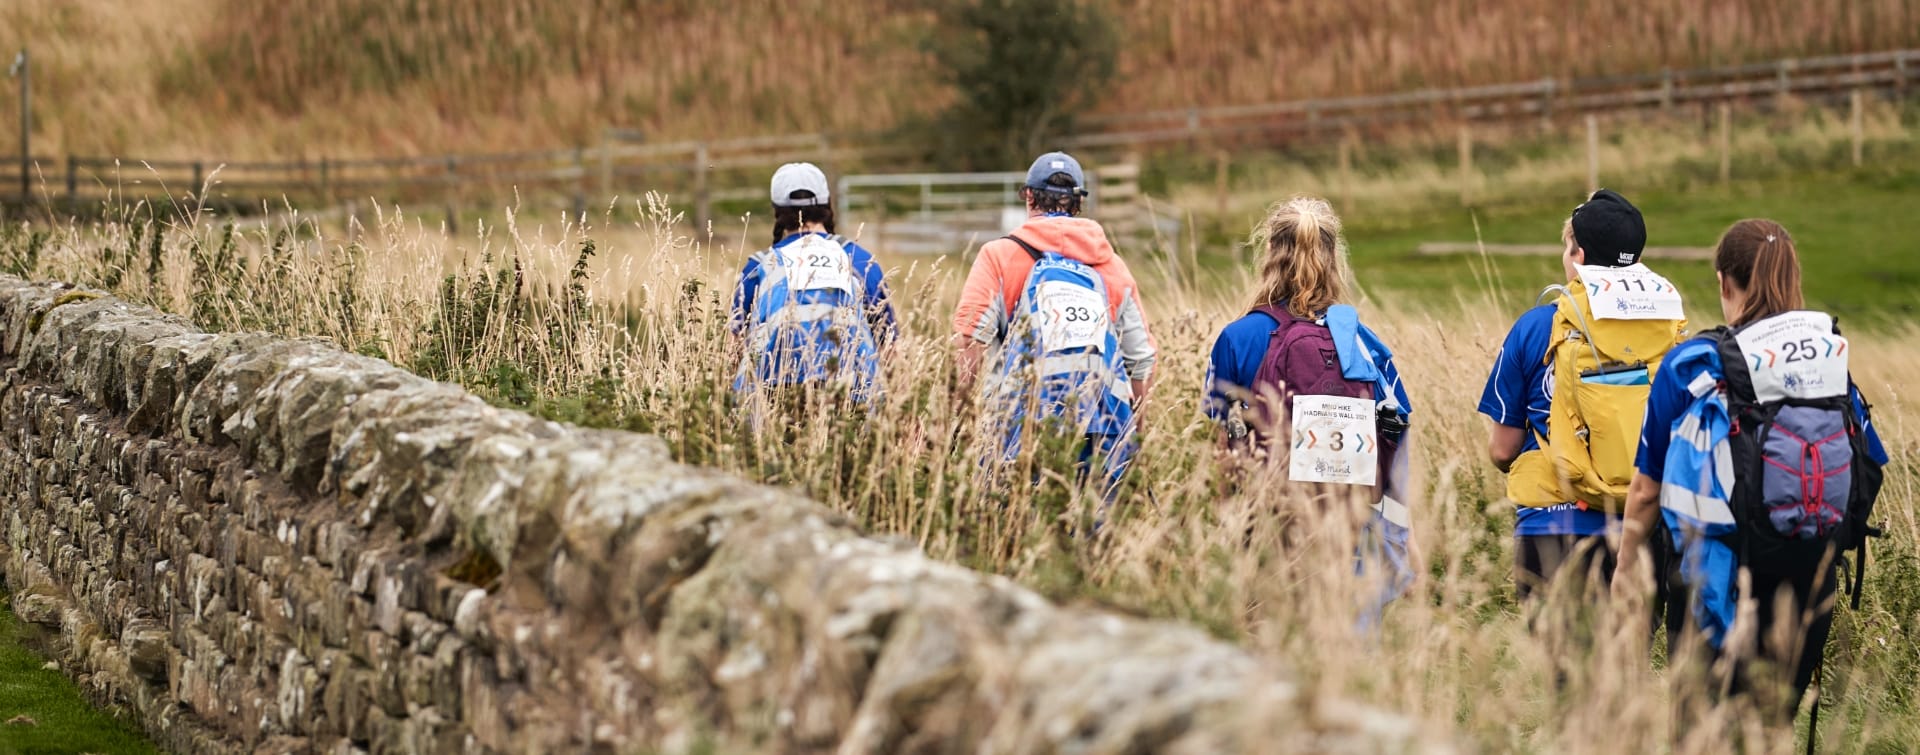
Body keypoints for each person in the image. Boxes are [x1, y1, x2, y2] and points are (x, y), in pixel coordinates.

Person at [1615, 219, 1888, 722]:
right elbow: (1869, 469)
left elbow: (1646, 490)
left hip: (1712, 588)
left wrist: (1625, 571)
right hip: (1806, 585)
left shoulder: (1692, 364)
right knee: (1767, 729)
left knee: (1702, 733)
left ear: (1724, 282)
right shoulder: (1826, 362)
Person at [1203, 196, 1415, 619]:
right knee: (1343, 650)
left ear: (1269, 255)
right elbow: (1397, 443)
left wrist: (1228, 532)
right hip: (1348, 525)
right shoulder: (1362, 342)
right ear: (1334, 259)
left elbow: (1223, 453)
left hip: (1267, 526)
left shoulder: (1237, 338)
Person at [1479, 189, 1686, 607]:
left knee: (1562, 670)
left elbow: (1503, 450)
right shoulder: (1668, 329)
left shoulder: (1537, 326)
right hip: (1639, 528)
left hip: (1552, 531)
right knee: (1626, 667)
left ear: (1578, 256)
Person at [951, 151, 1155, 497]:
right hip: (1099, 424)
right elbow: (1142, 360)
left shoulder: (998, 256)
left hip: (1020, 421)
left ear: (1029, 197)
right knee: (1093, 532)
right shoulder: (1111, 266)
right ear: (1078, 203)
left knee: (1013, 529)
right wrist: (1133, 432)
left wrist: (959, 415)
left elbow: (971, 340)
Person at [731, 162, 897, 402]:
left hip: (772, 401)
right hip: (854, 402)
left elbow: (734, 349)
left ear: (777, 211)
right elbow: (890, 349)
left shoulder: (758, 266)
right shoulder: (861, 262)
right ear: (827, 205)